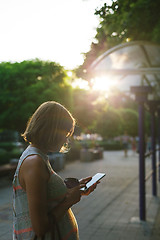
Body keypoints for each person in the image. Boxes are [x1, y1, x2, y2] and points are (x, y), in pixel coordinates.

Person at [12, 101, 97, 240]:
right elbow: (40, 228)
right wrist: (69, 200)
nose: (66, 141)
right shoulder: (35, 163)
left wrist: (74, 190)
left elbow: (46, 196)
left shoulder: (39, 156)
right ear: (52, 130)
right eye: (66, 134)